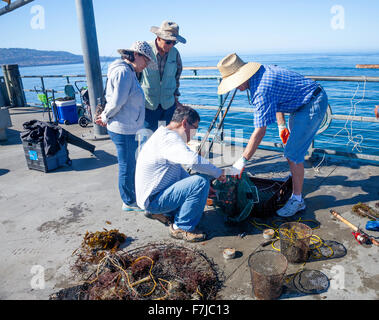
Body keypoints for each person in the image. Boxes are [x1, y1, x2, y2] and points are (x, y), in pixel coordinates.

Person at [218, 53, 328, 217]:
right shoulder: (260, 73)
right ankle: (296, 174)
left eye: (234, 83)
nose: (234, 87)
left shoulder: (261, 89)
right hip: (299, 104)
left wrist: (242, 160)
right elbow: (278, 96)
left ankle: (298, 200)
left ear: (242, 76)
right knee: (293, 152)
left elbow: (260, 131)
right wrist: (281, 125)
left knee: (292, 154)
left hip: (311, 104)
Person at [135, 105, 226, 242]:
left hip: (151, 195)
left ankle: (160, 212)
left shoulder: (162, 134)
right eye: (195, 128)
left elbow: (177, 171)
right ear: (184, 123)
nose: (195, 133)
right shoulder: (170, 139)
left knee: (199, 183)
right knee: (201, 182)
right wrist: (219, 173)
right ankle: (181, 227)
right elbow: (193, 161)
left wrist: (202, 189)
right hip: (153, 199)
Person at [95, 41, 156, 211]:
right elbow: (117, 101)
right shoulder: (124, 72)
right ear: (136, 55)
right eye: (146, 60)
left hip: (127, 126)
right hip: (123, 128)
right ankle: (128, 201)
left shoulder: (127, 71)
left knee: (129, 163)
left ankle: (130, 196)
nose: (146, 65)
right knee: (127, 166)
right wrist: (105, 117)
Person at [138, 20, 185, 132]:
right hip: (148, 106)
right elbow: (136, 76)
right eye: (168, 42)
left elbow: (176, 77)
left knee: (165, 139)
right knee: (147, 141)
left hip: (168, 106)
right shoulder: (145, 50)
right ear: (158, 38)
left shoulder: (175, 53)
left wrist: (176, 99)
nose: (171, 45)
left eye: (174, 42)